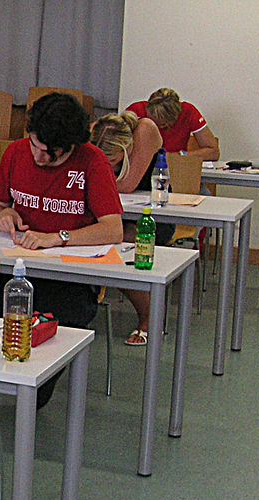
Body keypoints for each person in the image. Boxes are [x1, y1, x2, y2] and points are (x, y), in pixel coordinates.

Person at [0, 92, 123, 406]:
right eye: (34, 144)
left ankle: (29, 393)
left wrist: (57, 237)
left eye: (49, 152)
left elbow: (113, 229)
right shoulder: (16, 152)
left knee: (48, 334)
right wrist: (4, 216)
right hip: (17, 269)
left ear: (70, 147)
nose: (38, 156)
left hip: (68, 278)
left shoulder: (92, 161)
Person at [90, 111, 171, 346]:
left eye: (111, 161)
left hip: (151, 218)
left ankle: (149, 316)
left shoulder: (144, 130)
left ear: (125, 151)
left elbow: (126, 184)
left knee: (117, 246)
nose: (105, 165)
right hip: (116, 213)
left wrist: (95, 176)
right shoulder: (100, 129)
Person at [126, 88, 220, 161]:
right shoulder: (135, 112)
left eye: (163, 125)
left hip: (176, 170)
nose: (159, 128)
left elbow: (213, 152)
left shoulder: (188, 111)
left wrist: (179, 156)